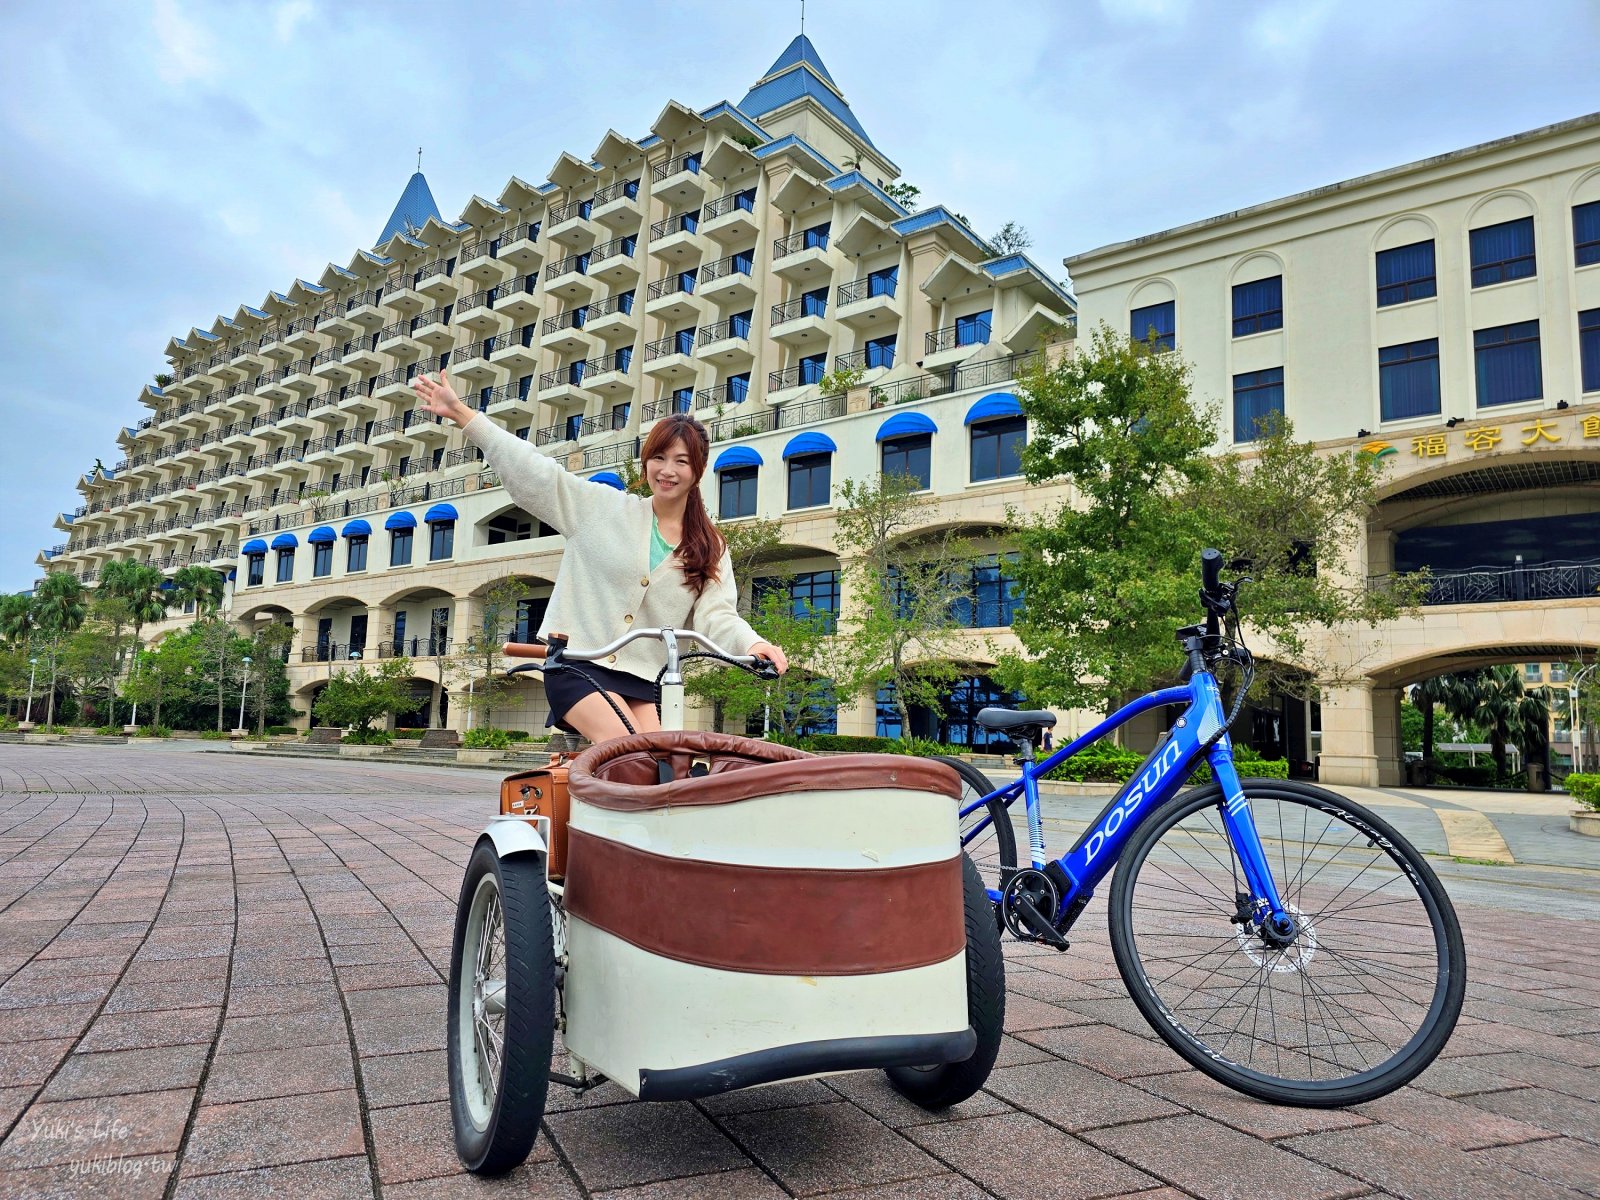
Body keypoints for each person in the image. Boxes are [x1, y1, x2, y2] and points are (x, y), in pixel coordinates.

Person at [414, 370, 787, 744]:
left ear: (697, 471)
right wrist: (462, 413)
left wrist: (752, 645)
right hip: (578, 665)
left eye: (682, 461)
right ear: (646, 462)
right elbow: (538, 475)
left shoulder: (709, 546)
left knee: (665, 763)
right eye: (658, 457)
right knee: (631, 753)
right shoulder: (603, 509)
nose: (667, 471)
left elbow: (718, 615)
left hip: (644, 679)